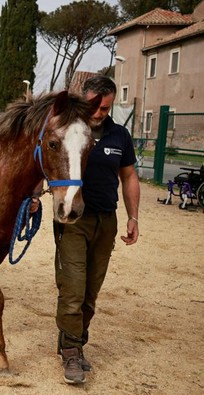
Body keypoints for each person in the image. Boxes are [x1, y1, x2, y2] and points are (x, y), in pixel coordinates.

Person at [53, 75, 140, 384]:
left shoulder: (120, 136)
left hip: (107, 220)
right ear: (85, 100)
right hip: (74, 219)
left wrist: (133, 216)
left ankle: (72, 339)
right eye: (97, 106)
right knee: (73, 288)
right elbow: (47, 162)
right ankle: (72, 352)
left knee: (90, 293)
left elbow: (128, 176)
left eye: (106, 108)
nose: (101, 113)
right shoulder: (70, 130)